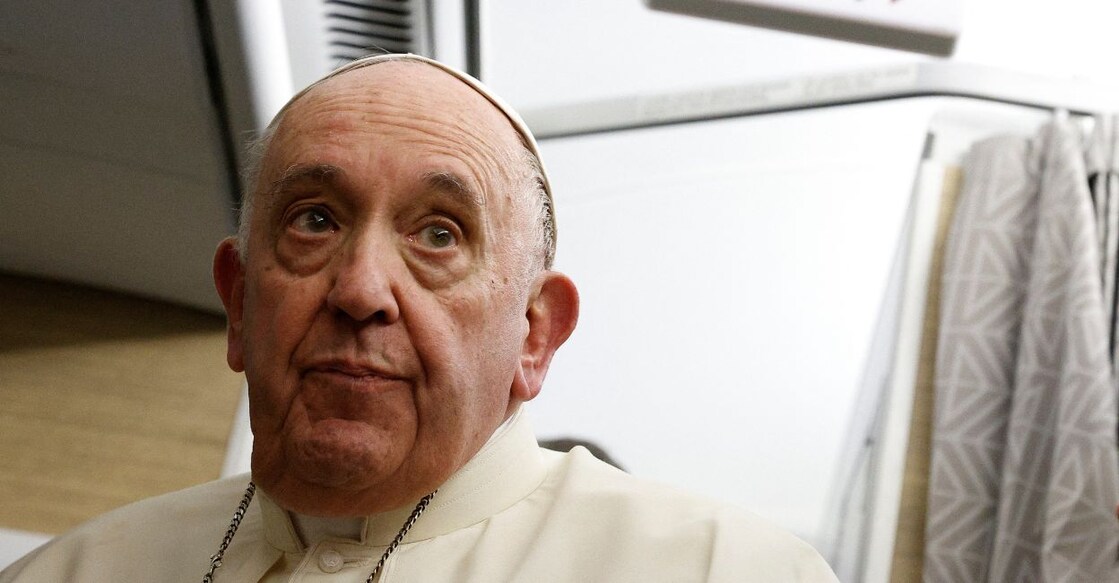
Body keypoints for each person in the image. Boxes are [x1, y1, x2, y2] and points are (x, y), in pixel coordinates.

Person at [0, 54, 838, 582]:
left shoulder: (721, 568)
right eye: (315, 219)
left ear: (535, 332)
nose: (360, 289)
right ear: (241, 301)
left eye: (440, 233)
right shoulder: (70, 571)